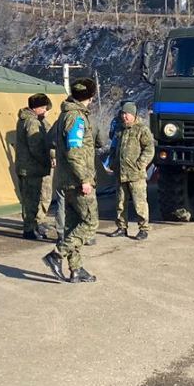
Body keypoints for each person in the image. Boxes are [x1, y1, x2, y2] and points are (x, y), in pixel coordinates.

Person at [44, 77, 99, 283]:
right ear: (90, 97)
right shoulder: (76, 118)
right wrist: (85, 179)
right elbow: (74, 152)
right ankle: (57, 255)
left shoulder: (64, 115)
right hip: (77, 181)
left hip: (66, 180)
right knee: (90, 223)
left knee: (73, 225)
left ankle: (76, 269)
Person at [110, 102, 156, 241]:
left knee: (139, 203)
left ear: (133, 115)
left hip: (136, 174)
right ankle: (121, 227)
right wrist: (112, 163)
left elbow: (149, 149)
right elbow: (114, 148)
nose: (125, 116)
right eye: (123, 114)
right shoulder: (120, 130)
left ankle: (143, 229)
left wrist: (140, 164)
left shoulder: (141, 129)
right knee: (120, 202)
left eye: (127, 114)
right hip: (120, 173)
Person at [15, 93, 53, 240]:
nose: (45, 111)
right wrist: (46, 161)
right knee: (31, 200)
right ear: (36, 108)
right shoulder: (32, 123)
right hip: (31, 168)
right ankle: (29, 230)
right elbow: (35, 146)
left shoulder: (24, 120)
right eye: (43, 107)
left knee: (30, 199)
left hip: (26, 167)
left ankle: (32, 227)